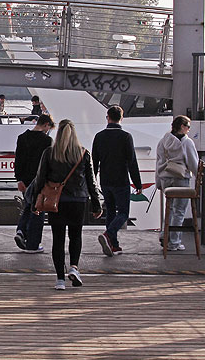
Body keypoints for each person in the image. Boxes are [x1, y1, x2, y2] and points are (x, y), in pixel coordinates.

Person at [33, 119, 101, 290]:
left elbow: (40, 179)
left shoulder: (49, 153)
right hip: (78, 201)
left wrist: (35, 202)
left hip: (57, 202)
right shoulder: (83, 153)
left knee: (58, 239)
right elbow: (91, 181)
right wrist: (96, 204)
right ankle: (74, 268)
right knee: (76, 236)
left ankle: (60, 280)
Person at [92, 105, 143, 257]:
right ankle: (109, 235)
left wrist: (93, 180)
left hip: (105, 180)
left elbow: (94, 161)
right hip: (121, 179)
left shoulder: (99, 136)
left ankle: (113, 245)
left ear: (107, 117)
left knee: (110, 212)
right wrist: (137, 183)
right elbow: (132, 162)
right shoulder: (126, 137)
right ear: (121, 118)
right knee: (123, 213)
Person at [156, 115, 199, 251]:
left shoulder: (163, 141)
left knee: (169, 208)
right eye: (188, 127)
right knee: (179, 211)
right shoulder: (187, 142)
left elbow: (158, 161)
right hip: (181, 178)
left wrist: (158, 181)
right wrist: (198, 175)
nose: (189, 130)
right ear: (182, 127)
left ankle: (164, 235)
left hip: (166, 178)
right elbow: (193, 163)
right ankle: (174, 242)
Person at [14, 114, 55, 253]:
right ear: (46, 125)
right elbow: (49, 164)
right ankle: (32, 244)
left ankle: (21, 231)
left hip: (25, 181)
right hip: (39, 181)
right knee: (38, 210)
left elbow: (18, 160)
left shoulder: (22, 138)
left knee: (28, 206)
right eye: (49, 127)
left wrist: (19, 179)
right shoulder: (47, 140)